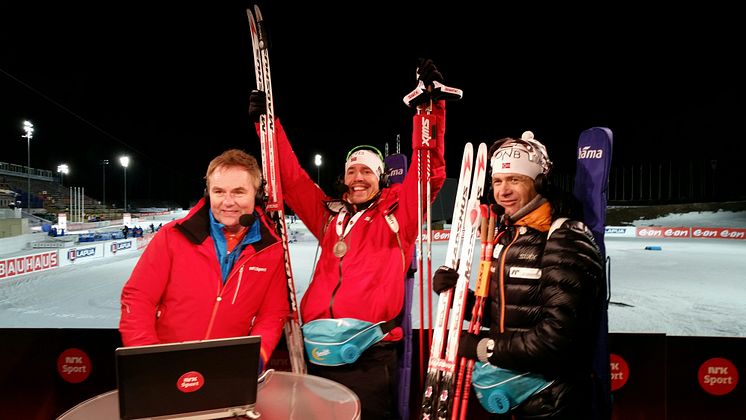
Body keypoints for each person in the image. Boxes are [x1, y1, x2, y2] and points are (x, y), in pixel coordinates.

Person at [249, 59, 449, 420]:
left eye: (367, 172)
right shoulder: (328, 217)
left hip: (369, 358)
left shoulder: (396, 217)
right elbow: (291, 180)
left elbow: (428, 173)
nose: (358, 178)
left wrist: (428, 113)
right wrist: (268, 126)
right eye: (351, 171)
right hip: (316, 354)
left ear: (381, 178)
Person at [433, 131, 606, 419]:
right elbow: (511, 312)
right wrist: (458, 299)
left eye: (515, 180)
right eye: (498, 181)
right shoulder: (510, 237)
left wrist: (483, 347)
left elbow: (558, 339)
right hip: (513, 392)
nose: (504, 191)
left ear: (538, 182)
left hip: (552, 399)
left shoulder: (564, 236)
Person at [119, 149, 290, 371]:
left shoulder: (271, 249)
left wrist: (256, 356)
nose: (228, 202)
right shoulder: (172, 237)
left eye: (239, 192)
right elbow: (138, 298)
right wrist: (146, 355)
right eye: (219, 191)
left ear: (256, 195)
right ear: (208, 193)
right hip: (166, 367)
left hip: (226, 371)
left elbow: (273, 313)